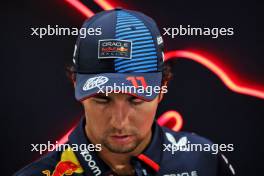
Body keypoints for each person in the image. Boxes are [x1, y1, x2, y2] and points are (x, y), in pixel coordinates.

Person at [15, 8, 235, 176]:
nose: (119, 121)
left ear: (162, 89)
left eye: (136, 99)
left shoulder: (203, 158)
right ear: (76, 86)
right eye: (102, 98)